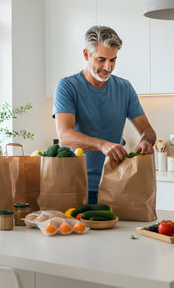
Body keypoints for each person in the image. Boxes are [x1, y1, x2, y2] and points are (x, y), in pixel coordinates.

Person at [52, 25, 156, 204]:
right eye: (101, 59)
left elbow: (148, 130)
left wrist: (146, 141)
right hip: (77, 187)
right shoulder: (67, 87)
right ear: (86, 55)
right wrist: (102, 145)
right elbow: (64, 136)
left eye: (113, 60)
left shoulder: (124, 88)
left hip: (115, 184)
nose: (108, 67)